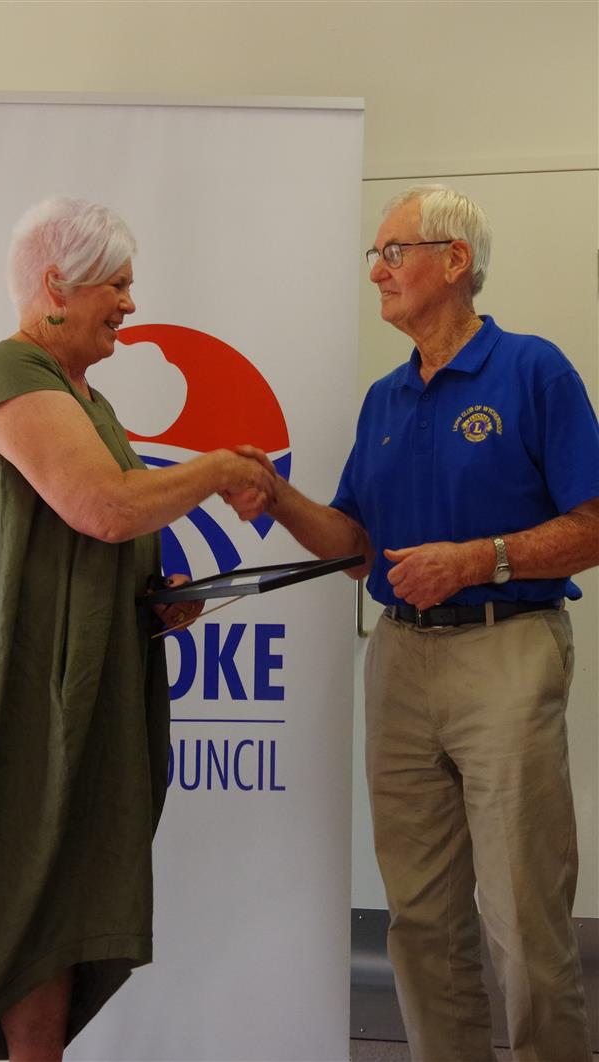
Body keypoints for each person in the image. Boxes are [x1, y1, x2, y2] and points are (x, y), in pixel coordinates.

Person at [0, 196, 276, 1062]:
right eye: (118, 284)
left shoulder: (81, 395)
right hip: (2, 699)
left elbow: (104, 537)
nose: (131, 304)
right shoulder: (8, 375)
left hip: (70, 695)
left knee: (49, 912)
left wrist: (158, 588)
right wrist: (212, 468)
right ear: (57, 284)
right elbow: (100, 507)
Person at [228, 185, 599, 1061]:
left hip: (506, 649)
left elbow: (592, 525)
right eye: (376, 256)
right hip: (399, 659)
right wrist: (279, 499)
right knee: (420, 917)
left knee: (522, 915)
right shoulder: (385, 400)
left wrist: (476, 560)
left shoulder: (533, 370)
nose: (377, 272)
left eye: (393, 252)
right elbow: (358, 545)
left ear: (454, 261)